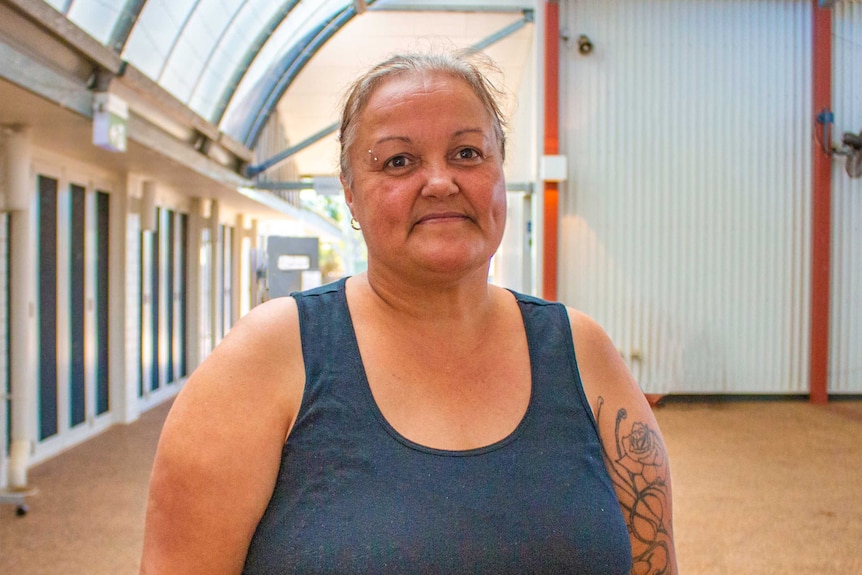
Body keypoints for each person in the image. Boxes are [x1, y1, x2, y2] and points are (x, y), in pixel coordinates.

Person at [140, 50, 678, 574]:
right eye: (399, 161)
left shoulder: (581, 351)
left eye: (468, 153)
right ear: (350, 195)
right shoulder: (266, 357)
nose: (441, 181)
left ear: (499, 173)